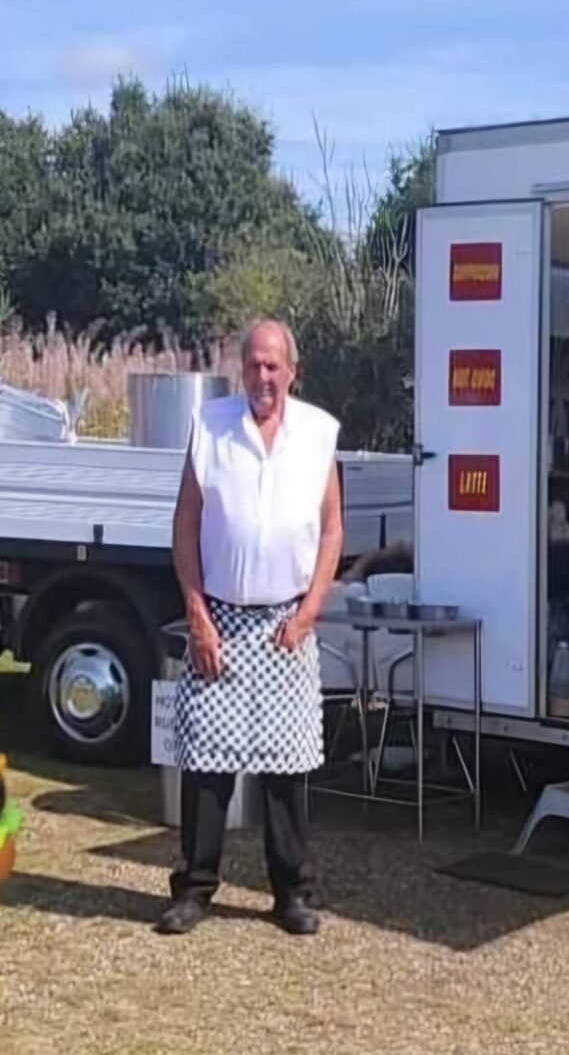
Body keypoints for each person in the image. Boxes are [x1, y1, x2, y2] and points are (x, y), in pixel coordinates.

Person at [156, 319, 343, 937]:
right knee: (207, 764)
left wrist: (312, 608)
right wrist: (196, 612)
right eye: (254, 365)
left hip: (287, 621)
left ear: (293, 369)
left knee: (286, 769)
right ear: (243, 369)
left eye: (274, 366)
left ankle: (292, 892)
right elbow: (185, 524)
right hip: (221, 619)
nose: (264, 377)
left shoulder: (319, 434)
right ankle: (194, 888)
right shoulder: (209, 427)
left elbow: (333, 529)